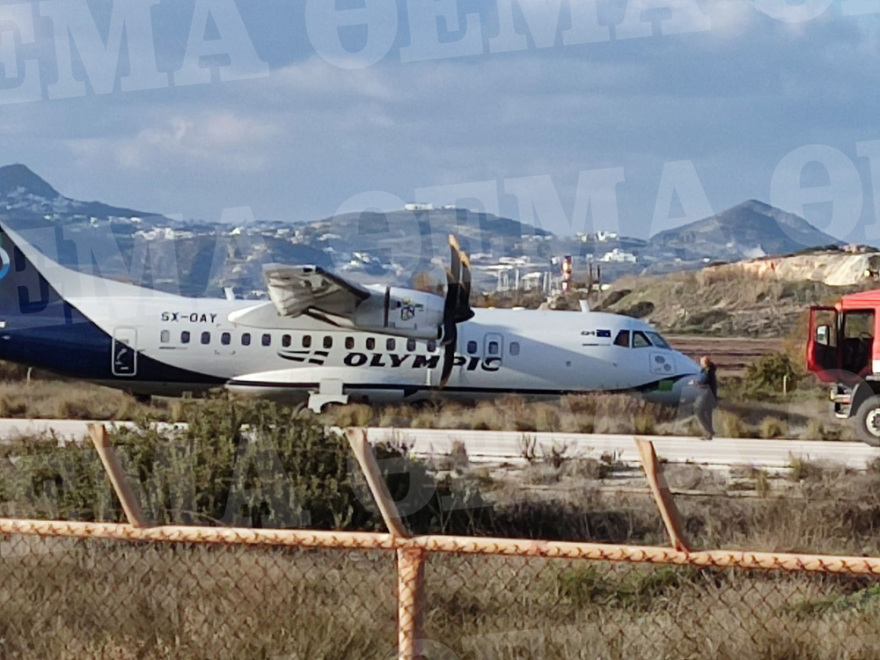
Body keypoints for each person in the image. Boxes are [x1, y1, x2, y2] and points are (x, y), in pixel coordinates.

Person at [690, 356, 718, 440]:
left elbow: (704, 381)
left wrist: (695, 383)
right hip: (710, 394)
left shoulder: (707, 371)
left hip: (706, 394)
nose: (700, 364)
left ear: (705, 363)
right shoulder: (710, 370)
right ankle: (709, 433)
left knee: (698, 410)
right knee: (707, 414)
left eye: (701, 362)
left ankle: (709, 431)